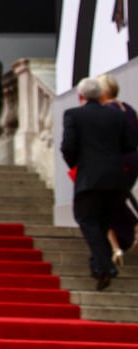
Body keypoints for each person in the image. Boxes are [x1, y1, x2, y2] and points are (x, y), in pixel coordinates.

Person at [61, 76, 137, 290]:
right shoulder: (117, 115)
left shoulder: (73, 115)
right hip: (116, 179)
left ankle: (105, 266)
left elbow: (68, 147)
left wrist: (79, 164)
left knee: (86, 219)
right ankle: (98, 265)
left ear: (80, 96)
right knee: (103, 223)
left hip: (89, 178)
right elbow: (131, 144)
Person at [97, 74, 138, 267]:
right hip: (131, 161)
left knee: (104, 204)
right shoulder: (127, 108)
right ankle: (120, 243)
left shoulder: (106, 111)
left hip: (114, 162)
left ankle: (119, 243)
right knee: (115, 201)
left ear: (103, 92)